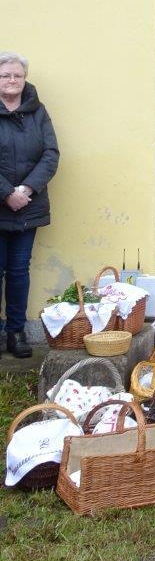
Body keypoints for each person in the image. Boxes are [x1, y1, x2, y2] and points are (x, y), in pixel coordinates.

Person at [0, 52, 59, 358]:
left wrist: (25, 190)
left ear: (25, 78)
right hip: (1, 204)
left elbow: (51, 154)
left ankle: (16, 332)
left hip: (28, 205)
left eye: (17, 75)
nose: (12, 80)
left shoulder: (38, 111)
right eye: (5, 75)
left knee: (19, 271)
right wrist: (6, 192)